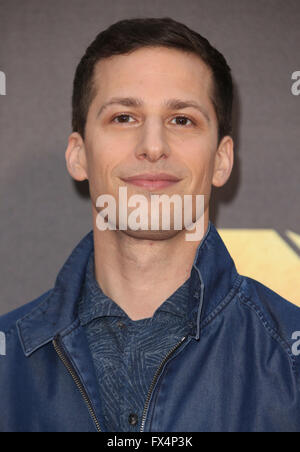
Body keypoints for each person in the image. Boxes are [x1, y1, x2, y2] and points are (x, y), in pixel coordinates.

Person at [1, 17, 300, 433]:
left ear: (221, 160)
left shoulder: (291, 361)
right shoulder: (7, 358)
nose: (153, 147)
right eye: (124, 117)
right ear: (78, 155)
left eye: (182, 120)